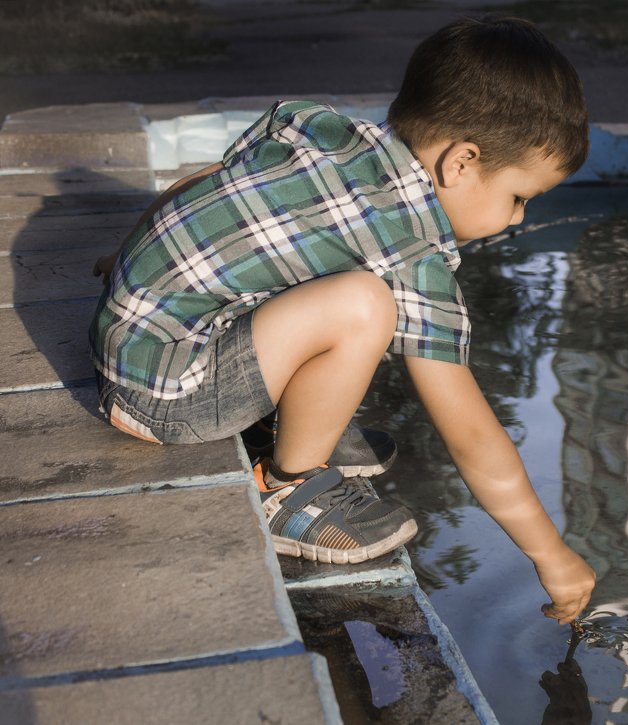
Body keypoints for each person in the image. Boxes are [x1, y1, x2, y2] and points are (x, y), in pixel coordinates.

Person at [90, 15, 596, 624]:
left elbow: (211, 183)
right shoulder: (409, 250)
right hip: (167, 397)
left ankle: (303, 424)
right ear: (461, 162)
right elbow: (469, 433)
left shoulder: (322, 129)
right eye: (519, 198)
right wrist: (549, 553)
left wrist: (128, 256)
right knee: (364, 304)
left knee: (335, 284)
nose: (517, 219)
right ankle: (291, 487)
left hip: (135, 336)